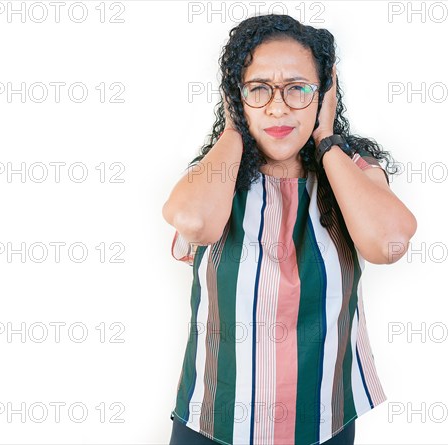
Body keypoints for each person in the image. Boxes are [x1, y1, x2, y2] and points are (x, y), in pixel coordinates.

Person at [162, 13, 417, 445]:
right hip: (214, 419)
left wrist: (327, 140)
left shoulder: (352, 174)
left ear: (325, 95)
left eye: (298, 89)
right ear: (235, 98)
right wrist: (234, 129)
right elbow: (195, 222)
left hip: (322, 419)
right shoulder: (217, 177)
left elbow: (388, 244)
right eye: (258, 89)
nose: (277, 107)